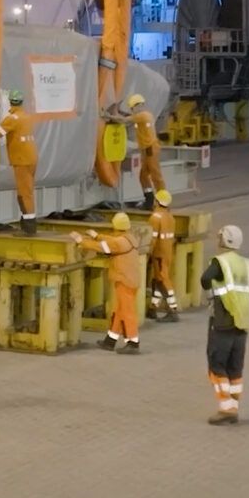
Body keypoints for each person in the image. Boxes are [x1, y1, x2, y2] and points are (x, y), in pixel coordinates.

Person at [200, 224, 249, 424]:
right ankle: (234, 406)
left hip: (222, 321)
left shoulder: (220, 262)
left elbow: (205, 279)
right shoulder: (246, 264)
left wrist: (216, 290)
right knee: (235, 367)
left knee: (217, 364)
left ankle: (225, 408)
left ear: (224, 240)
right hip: (242, 322)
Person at [77, 211, 145, 353]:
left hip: (124, 280)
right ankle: (110, 340)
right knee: (119, 310)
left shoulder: (118, 242)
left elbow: (102, 247)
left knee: (127, 312)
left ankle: (133, 343)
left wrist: (81, 241)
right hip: (130, 280)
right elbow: (112, 241)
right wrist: (97, 236)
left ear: (115, 226)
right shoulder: (129, 238)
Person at [0, 91, 40, 233]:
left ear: (10, 101)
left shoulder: (12, 119)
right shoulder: (27, 117)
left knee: (24, 193)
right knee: (27, 191)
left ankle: (29, 227)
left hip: (21, 160)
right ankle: (28, 222)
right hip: (31, 158)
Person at [144, 190, 180, 322]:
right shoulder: (170, 217)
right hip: (167, 252)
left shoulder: (155, 217)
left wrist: (148, 253)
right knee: (159, 279)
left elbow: (152, 238)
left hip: (158, 253)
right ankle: (153, 307)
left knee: (163, 280)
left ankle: (173, 309)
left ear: (157, 201)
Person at [124, 92, 164, 207]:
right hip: (145, 150)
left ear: (137, 106)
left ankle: (163, 202)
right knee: (143, 176)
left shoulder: (143, 116)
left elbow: (124, 121)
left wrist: (109, 117)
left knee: (156, 175)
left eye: (133, 108)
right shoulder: (144, 116)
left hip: (151, 149)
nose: (133, 110)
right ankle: (149, 200)